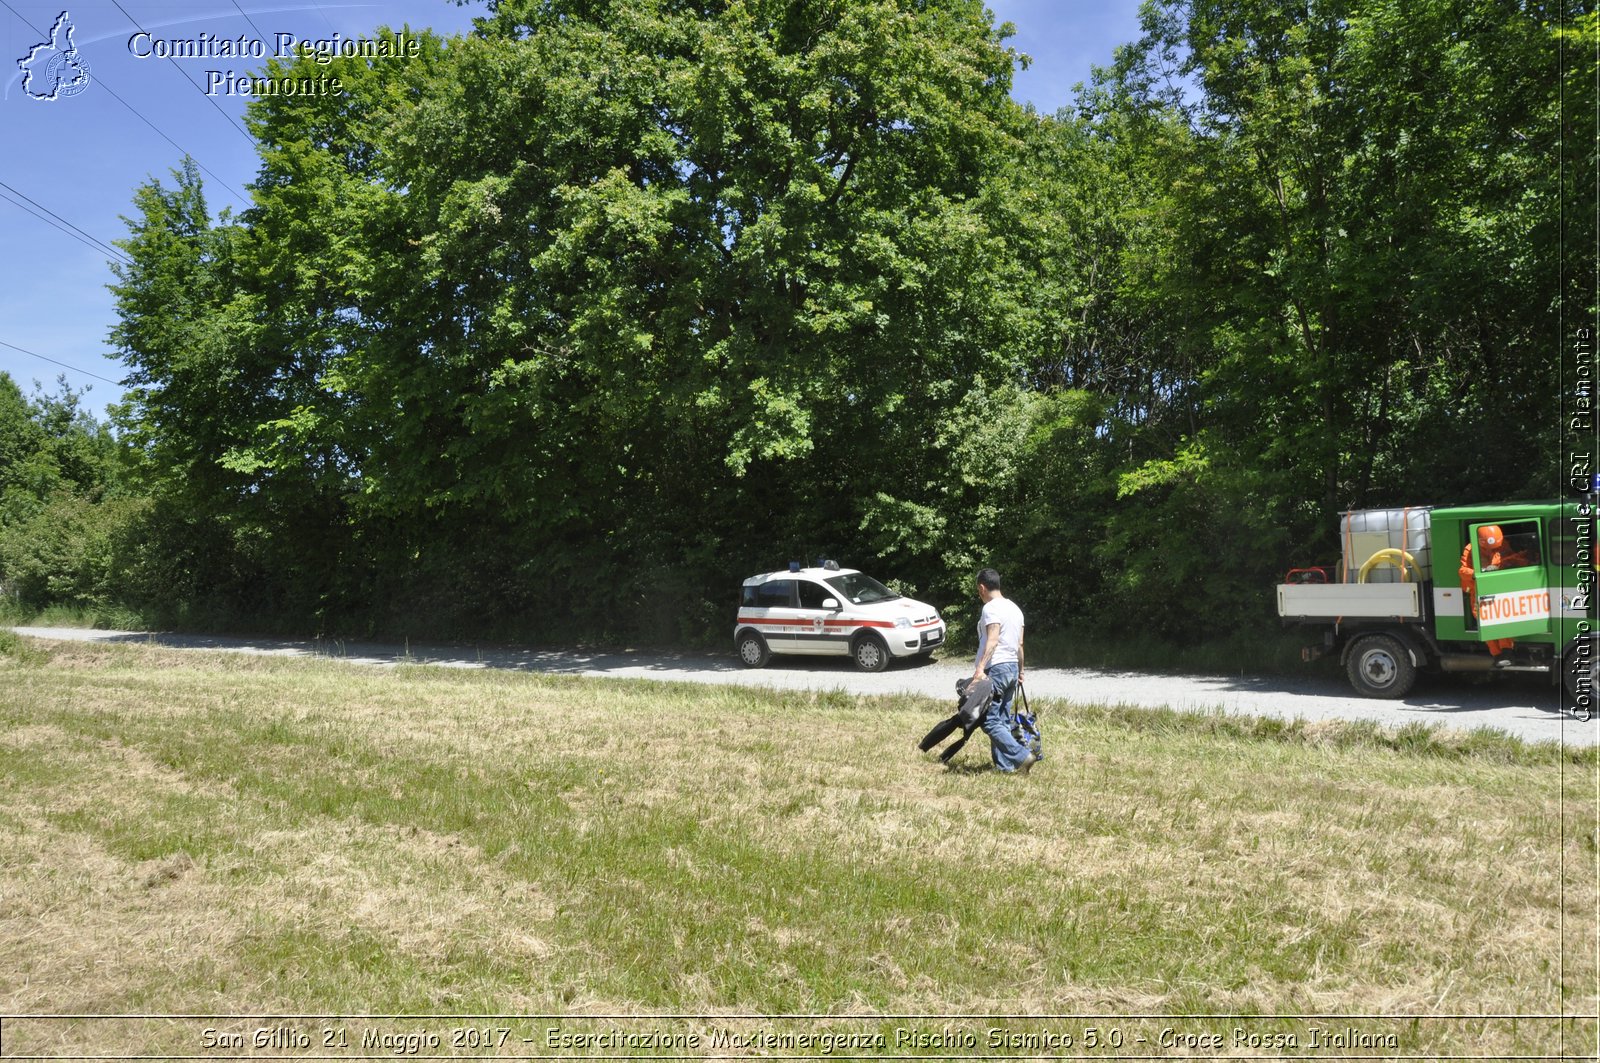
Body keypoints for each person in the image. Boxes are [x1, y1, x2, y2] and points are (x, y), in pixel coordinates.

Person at [970, 567, 1035, 774]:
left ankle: (1021, 756)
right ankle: (1005, 767)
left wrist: (980, 669)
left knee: (988, 720)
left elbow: (992, 640)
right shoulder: (1016, 609)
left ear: (982, 587)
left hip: (996, 668)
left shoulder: (991, 608)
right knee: (1003, 719)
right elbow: (1020, 645)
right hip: (1012, 668)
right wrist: (1021, 671)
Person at [1459, 525, 1514, 662]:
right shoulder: (1470, 549)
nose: (1494, 550)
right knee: (1485, 621)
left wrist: (1498, 567)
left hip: (1499, 588)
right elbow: (1462, 571)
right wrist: (1479, 573)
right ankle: (1496, 654)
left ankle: (1507, 651)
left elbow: (1512, 559)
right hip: (1479, 591)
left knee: (1502, 618)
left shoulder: (1503, 545)